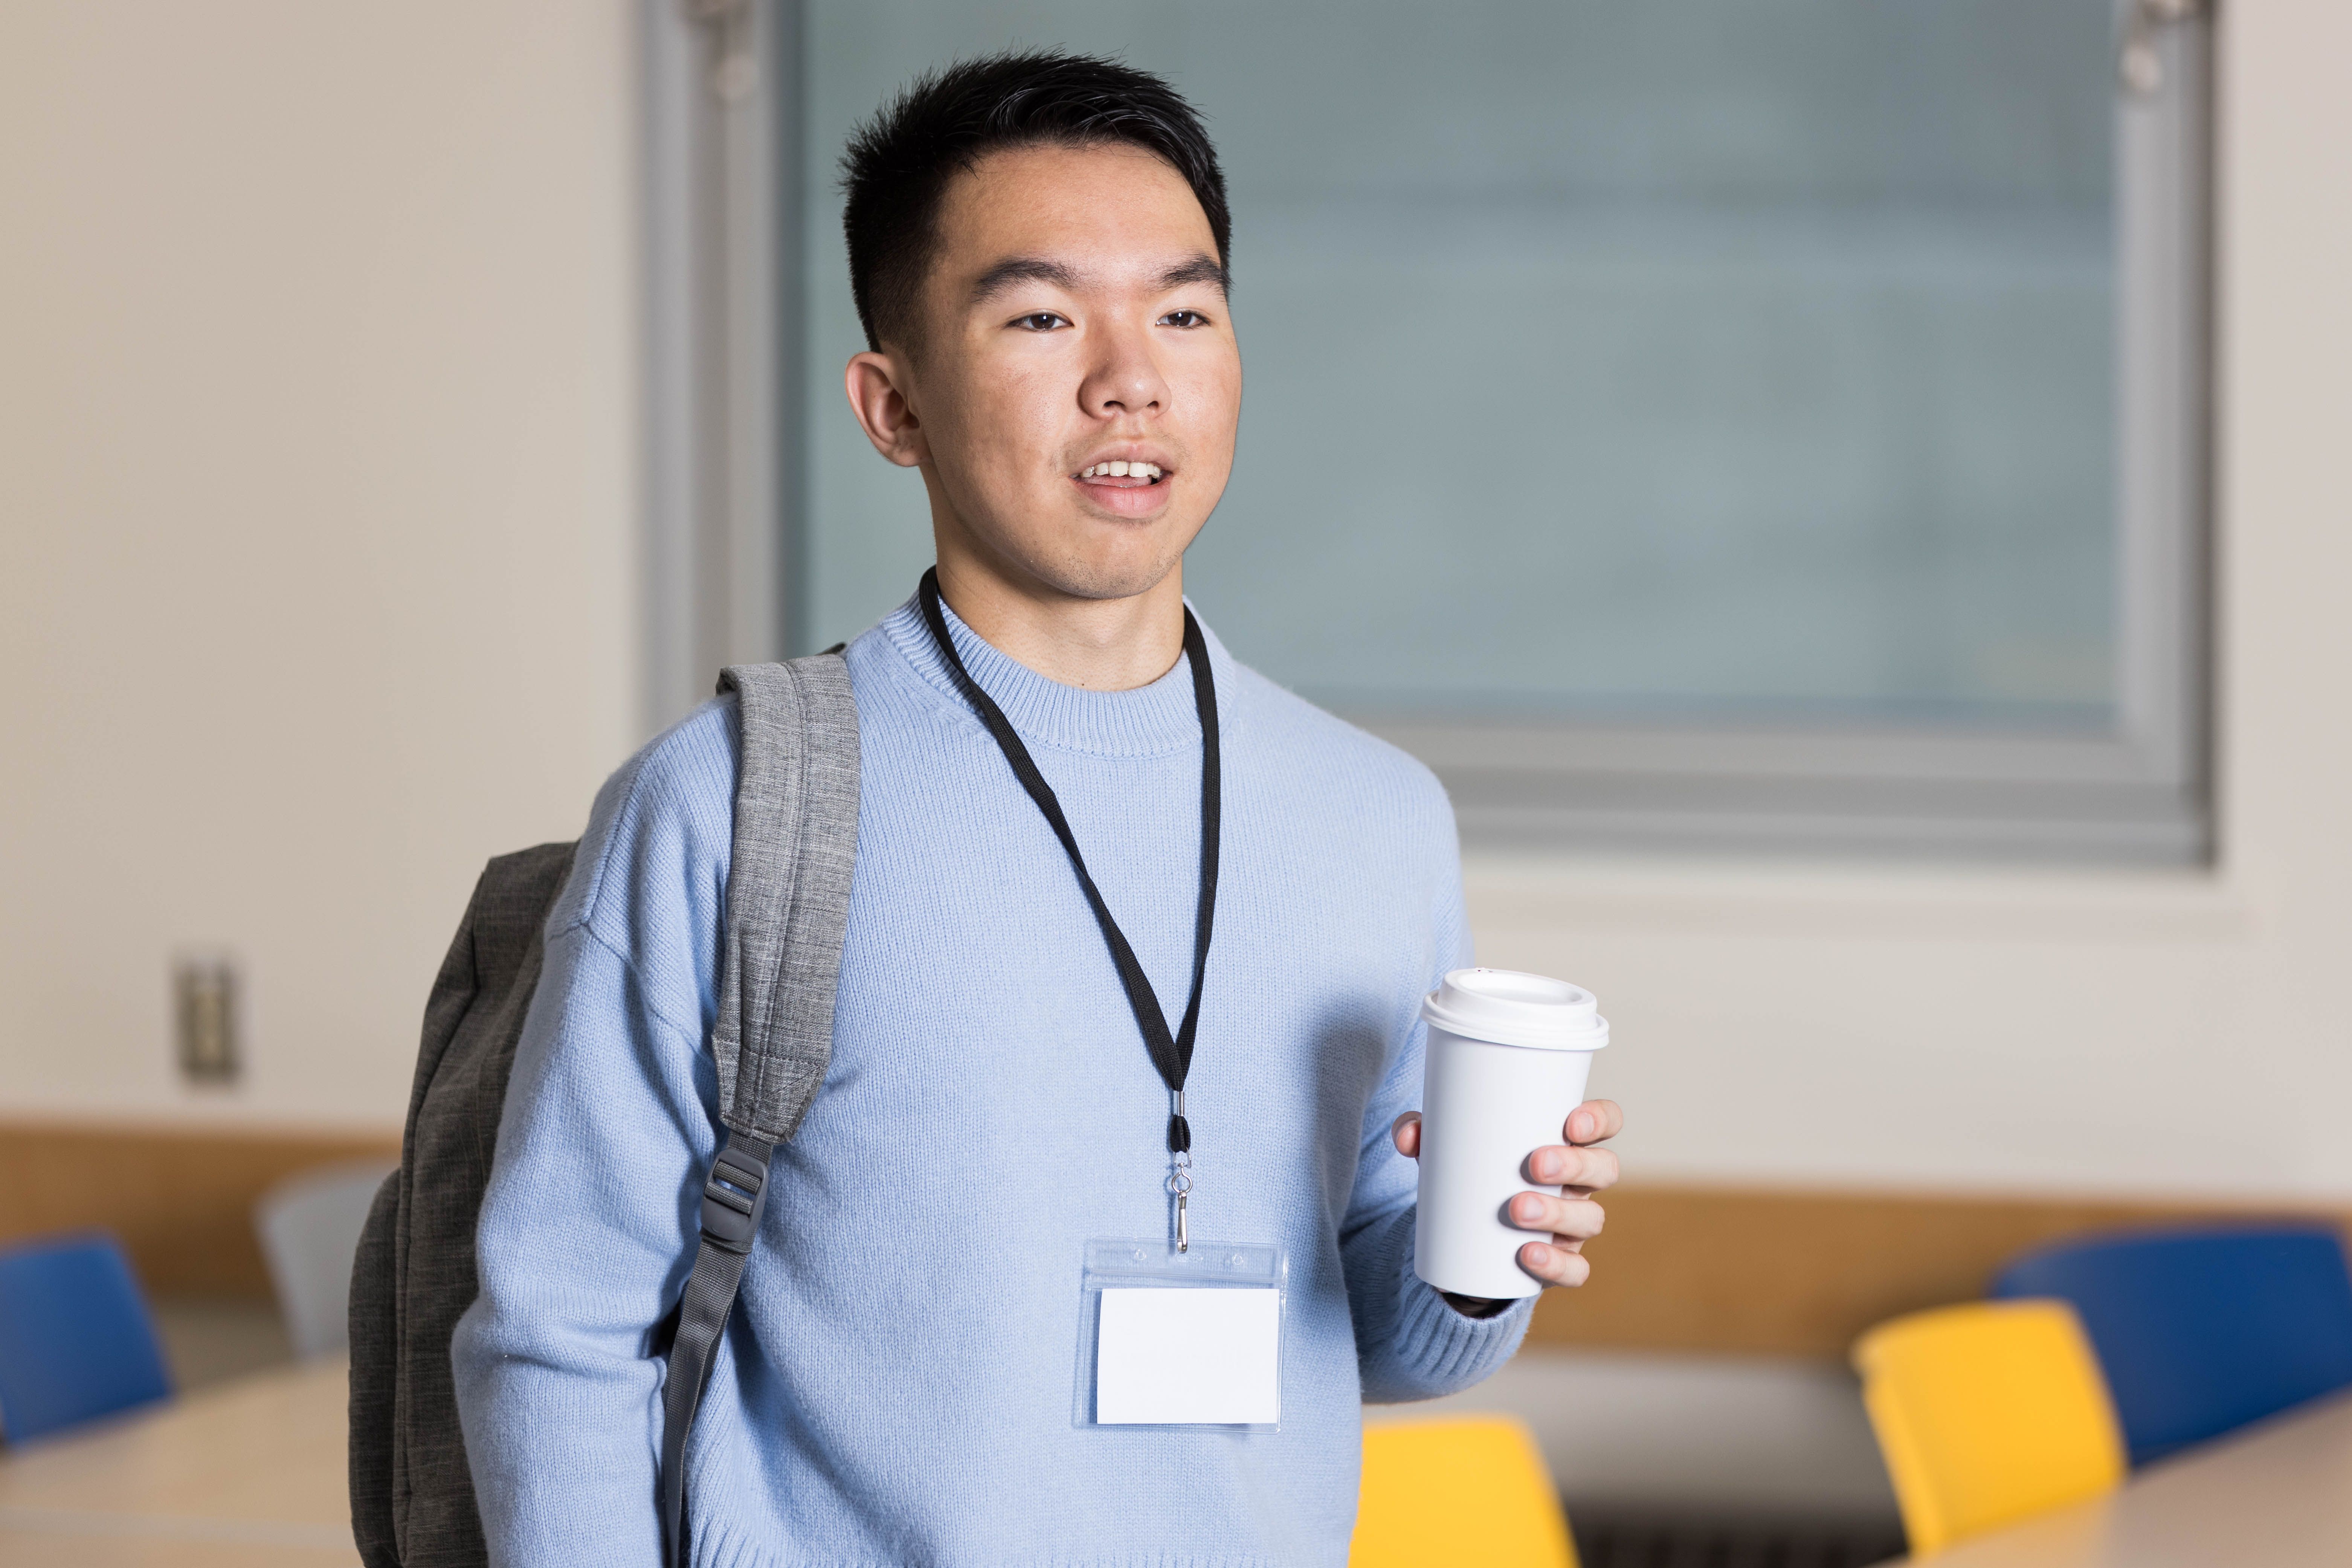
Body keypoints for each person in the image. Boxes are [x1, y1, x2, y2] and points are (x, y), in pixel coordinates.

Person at [452, 48, 1624, 1566]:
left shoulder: (1377, 818)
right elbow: (555, 1334)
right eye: (1041, 317)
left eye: (1183, 312)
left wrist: (1481, 1260)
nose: (1130, 375)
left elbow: (1373, 1337)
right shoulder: (729, 803)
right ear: (894, 406)